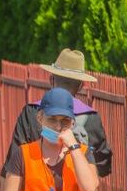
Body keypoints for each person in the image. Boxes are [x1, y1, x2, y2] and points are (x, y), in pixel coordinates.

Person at [6, 49, 111, 178]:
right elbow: (103, 164)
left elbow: (13, 159)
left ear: (51, 80)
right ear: (81, 86)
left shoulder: (32, 112)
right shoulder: (91, 117)